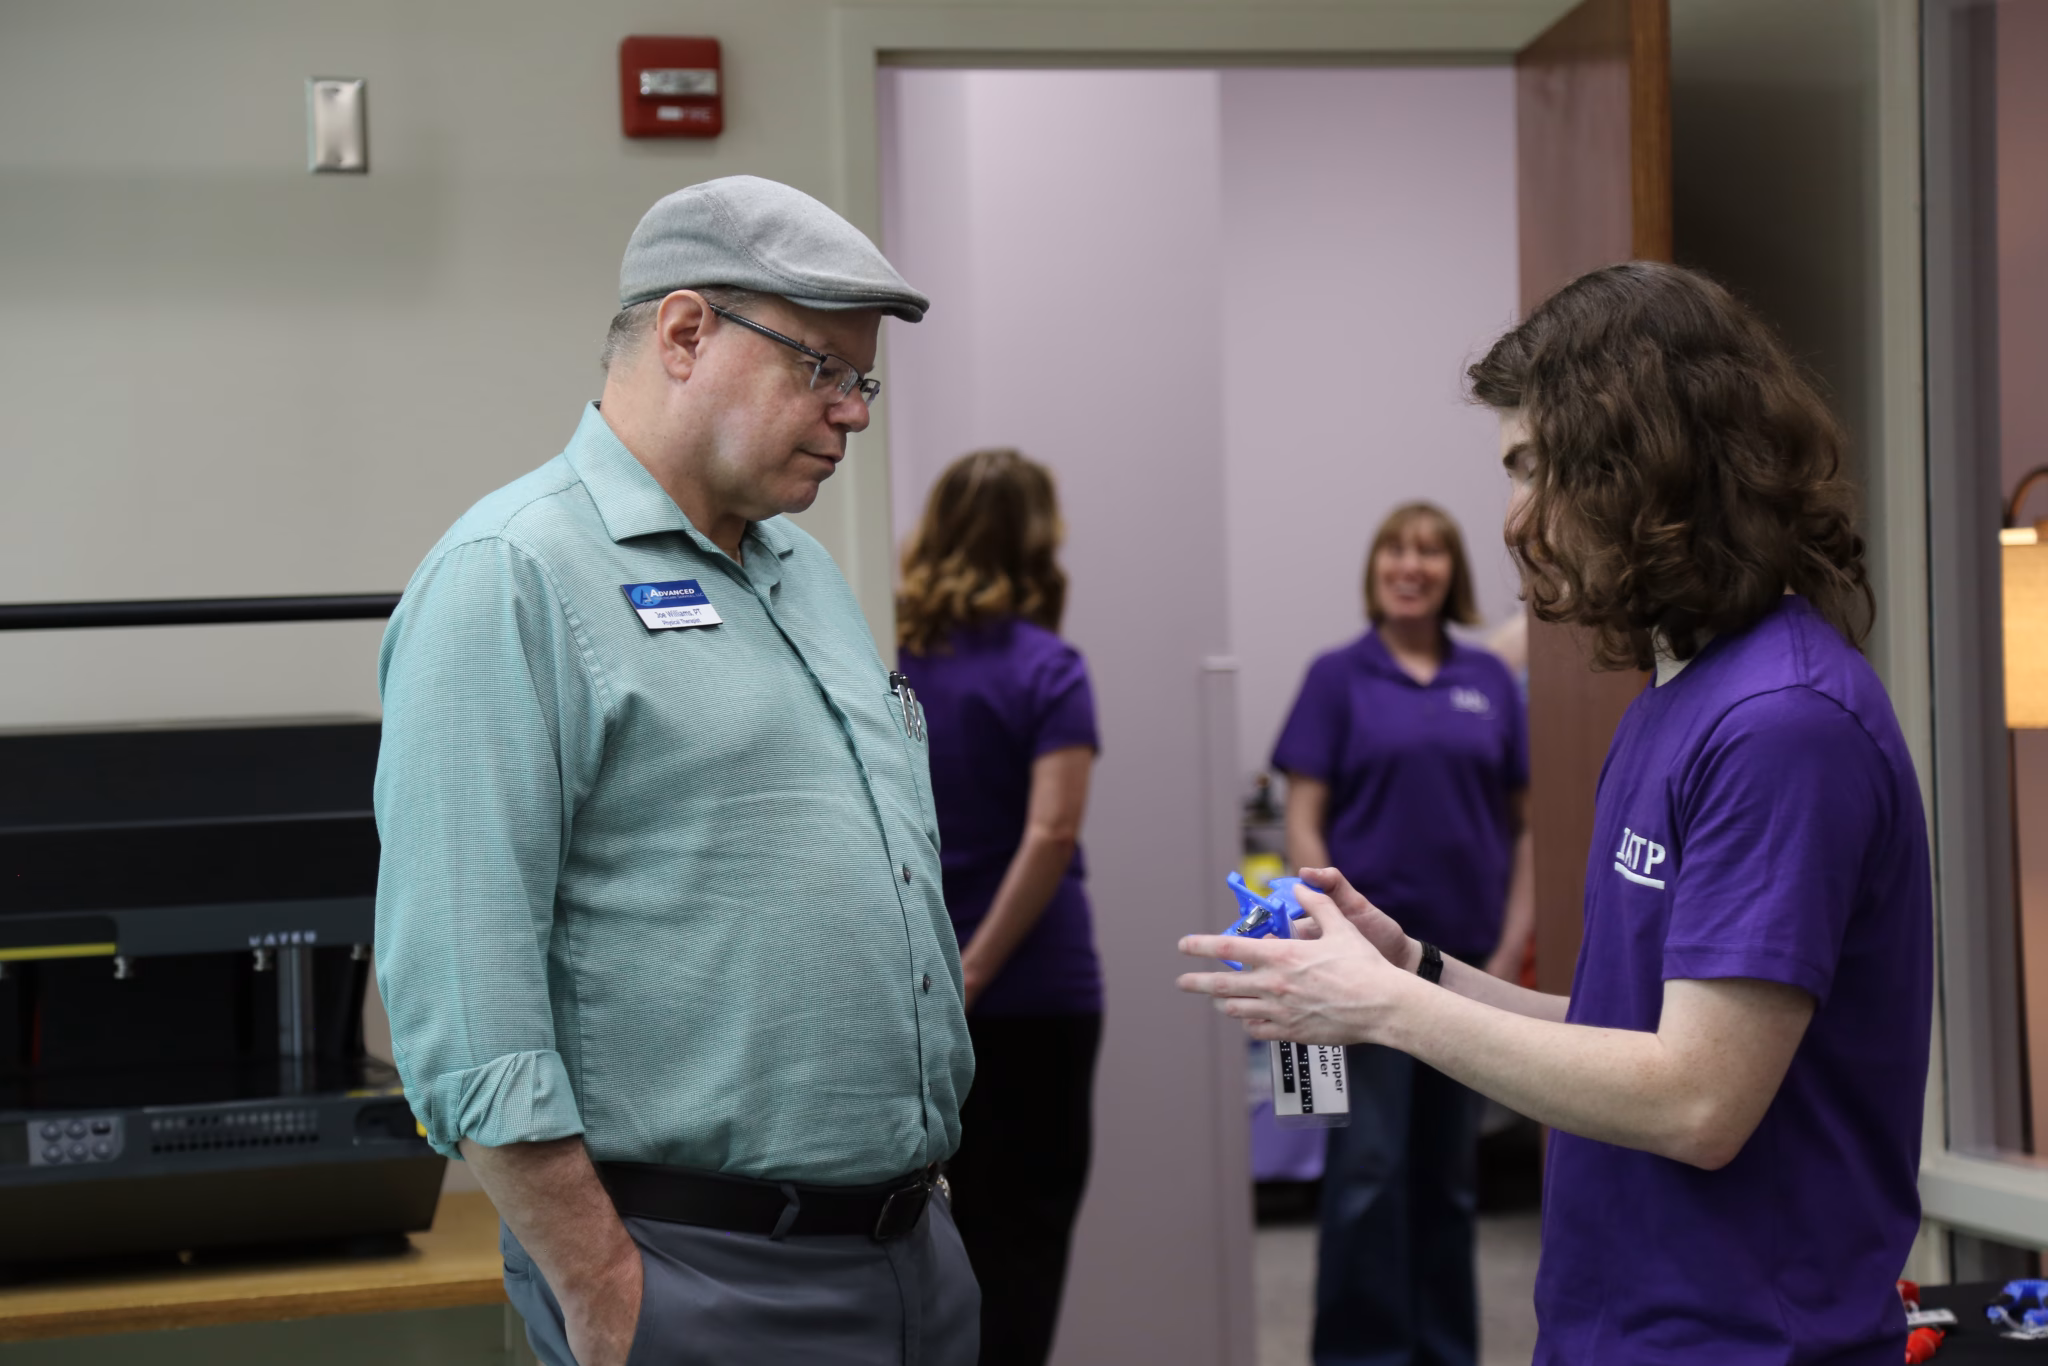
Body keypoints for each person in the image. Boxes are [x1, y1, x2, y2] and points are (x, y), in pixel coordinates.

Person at [1178, 260, 1931, 1366]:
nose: (1517, 520)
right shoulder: (1676, 701)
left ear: (1641, 456)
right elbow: (1624, 1032)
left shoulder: (1783, 724)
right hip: (1613, 1323)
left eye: (1534, 467)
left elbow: (1695, 1100)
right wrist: (1419, 968)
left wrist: (1386, 1011)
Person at [374, 176, 977, 1366]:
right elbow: (461, 994)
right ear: (686, 331)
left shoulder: (800, 570)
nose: (852, 413)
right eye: (822, 370)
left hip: (906, 1254)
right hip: (695, 1273)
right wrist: (599, 1281)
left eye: (862, 381)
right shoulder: (511, 575)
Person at [1270, 502, 1530, 1366]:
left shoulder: (1490, 681)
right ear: (1375, 568)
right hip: (1362, 968)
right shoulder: (1338, 676)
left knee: (1449, 1183)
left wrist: (1510, 942)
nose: (1411, 566)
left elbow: (1524, 827)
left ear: (1451, 569)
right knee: (1368, 1175)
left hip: (1463, 965)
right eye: (1395, 550)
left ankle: (1445, 1352)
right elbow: (1302, 820)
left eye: (1429, 551)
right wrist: (1334, 927)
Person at [894, 449, 1101, 1366]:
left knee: (928, 1235)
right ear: (1038, 540)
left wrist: (946, 978)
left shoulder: (889, 662)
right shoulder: (1050, 667)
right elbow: (1052, 833)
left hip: (917, 988)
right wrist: (976, 971)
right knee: (1028, 1238)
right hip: (1037, 993)